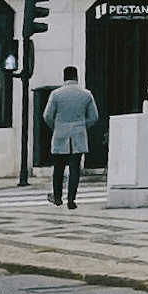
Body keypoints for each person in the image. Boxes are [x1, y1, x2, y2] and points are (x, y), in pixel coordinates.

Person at [41, 69, 102, 209]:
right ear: (76, 77)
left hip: (60, 134)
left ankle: (57, 197)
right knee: (75, 169)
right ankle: (71, 200)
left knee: (58, 168)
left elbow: (47, 116)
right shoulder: (86, 94)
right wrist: (82, 126)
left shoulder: (56, 94)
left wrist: (55, 126)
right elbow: (94, 116)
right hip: (78, 135)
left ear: (64, 77)